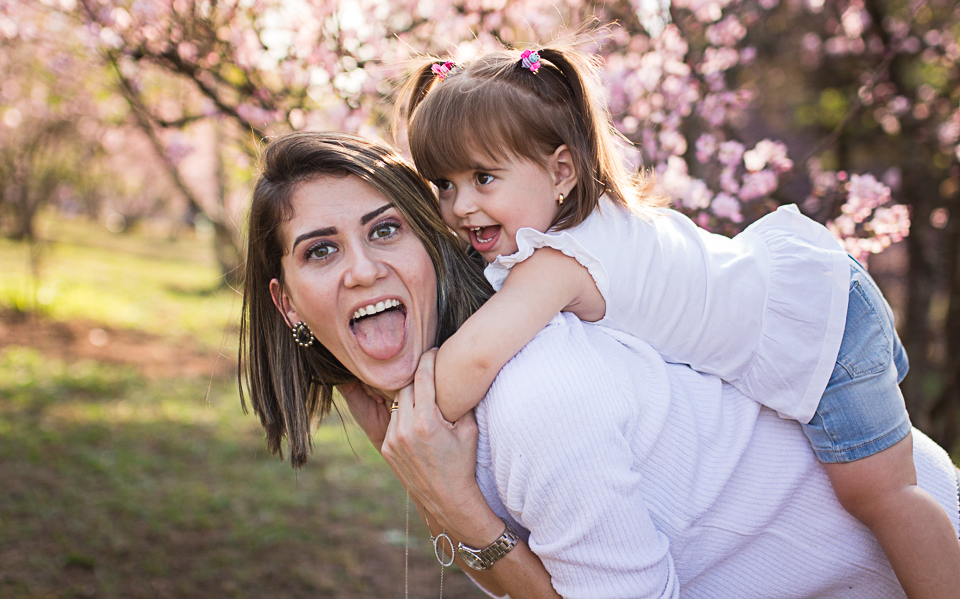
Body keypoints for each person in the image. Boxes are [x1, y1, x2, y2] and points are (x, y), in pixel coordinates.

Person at [239, 131, 960, 598]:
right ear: (288, 302)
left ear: (435, 248)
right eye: (321, 249)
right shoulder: (442, 413)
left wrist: (455, 511)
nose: (363, 269)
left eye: (386, 229)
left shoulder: (533, 393)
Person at [399, 38, 960, 596]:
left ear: (562, 171)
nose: (461, 205)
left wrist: (408, 418)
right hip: (816, 299)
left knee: (881, 494)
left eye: (483, 178)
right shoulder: (581, 227)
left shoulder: (557, 261)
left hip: (821, 328)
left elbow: (476, 356)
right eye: (444, 184)